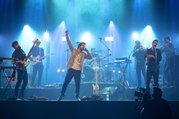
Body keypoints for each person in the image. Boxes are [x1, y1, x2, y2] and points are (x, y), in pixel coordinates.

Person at [58, 30, 92, 101]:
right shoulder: (73, 50)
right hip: (71, 69)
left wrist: (87, 50)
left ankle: (77, 97)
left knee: (77, 84)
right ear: (79, 46)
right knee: (66, 82)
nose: (84, 46)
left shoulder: (83, 54)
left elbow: (90, 57)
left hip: (78, 71)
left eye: (84, 46)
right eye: (83, 45)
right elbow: (68, 43)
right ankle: (61, 95)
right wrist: (66, 35)